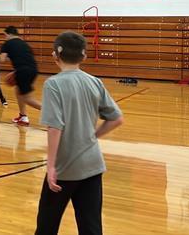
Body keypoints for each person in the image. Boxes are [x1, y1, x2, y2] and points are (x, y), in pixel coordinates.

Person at [36, 31, 124, 235]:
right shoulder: (94, 81)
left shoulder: (53, 84)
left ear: (55, 55)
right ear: (83, 56)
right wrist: (92, 136)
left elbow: (55, 127)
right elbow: (116, 119)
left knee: (46, 226)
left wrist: (50, 166)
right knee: (91, 228)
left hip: (65, 168)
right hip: (93, 166)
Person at [0, 26, 41, 126]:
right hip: (33, 70)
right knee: (18, 90)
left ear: (8, 34)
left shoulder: (7, 44)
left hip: (23, 71)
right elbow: (25, 58)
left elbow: (2, 60)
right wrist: (16, 71)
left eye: (5, 35)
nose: (5, 37)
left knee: (27, 99)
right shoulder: (24, 44)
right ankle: (23, 115)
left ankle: (54, 112)